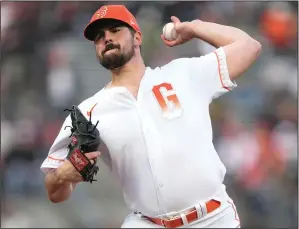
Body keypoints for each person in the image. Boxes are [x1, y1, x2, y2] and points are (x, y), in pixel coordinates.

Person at [41, 4, 261, 228]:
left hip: (214, 219)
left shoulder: (183, 74)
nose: (106, 38)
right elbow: (55, 192)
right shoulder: (88, 112)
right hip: (148, 223)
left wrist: (196, 28)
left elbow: (249, 46)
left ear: (137, 37)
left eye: (115, 30)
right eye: (99, 36)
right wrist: (61, 176)